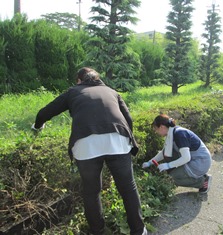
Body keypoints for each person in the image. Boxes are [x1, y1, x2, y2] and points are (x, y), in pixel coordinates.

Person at [31, 67, 147, 235]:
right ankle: (138, 230)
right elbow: (128, 118)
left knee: (91, 191)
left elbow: (45, 112)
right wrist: (127, 139)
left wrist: (37, 126)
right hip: (118, 140)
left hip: (86, 143)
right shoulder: (111, 91)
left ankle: (98, 231)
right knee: (128, 187)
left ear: (79, 80)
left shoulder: (73, 91)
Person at [142, 114, 212, 194]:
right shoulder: (171, 132)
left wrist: (168, 165)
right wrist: (149, 162)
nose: (156, 132)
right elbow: (164, 153)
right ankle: (196, 176)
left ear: (162, 127)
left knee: (170, 179)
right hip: (194, 159)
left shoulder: (179, 134)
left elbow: (186, 158)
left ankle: (202, 182)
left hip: (200, 162)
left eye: (156, 129)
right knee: (169, 163)